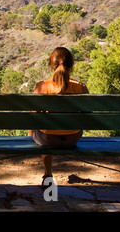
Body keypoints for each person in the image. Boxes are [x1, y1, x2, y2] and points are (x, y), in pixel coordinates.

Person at [28, 47, 89, 188]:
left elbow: (33, 116)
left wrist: (30, 135)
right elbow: (86, 116)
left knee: (45, 130)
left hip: (47, 139)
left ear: (51, 64)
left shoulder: (42, 86)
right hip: (73, 137)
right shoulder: (81, 88)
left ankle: (48, 174)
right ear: (71, 65)